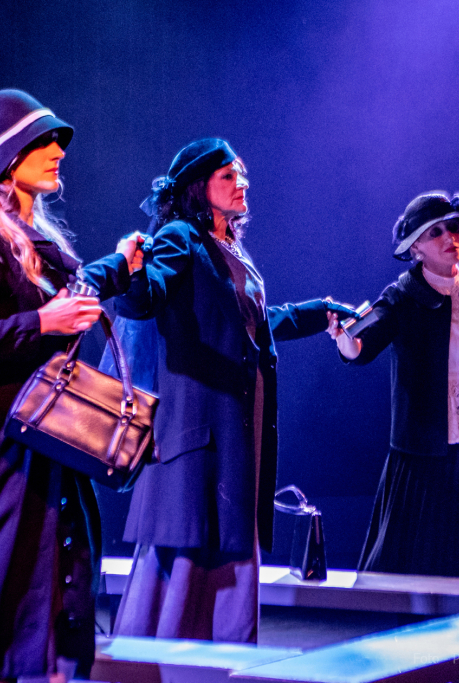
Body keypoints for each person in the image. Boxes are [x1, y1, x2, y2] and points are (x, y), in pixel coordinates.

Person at [0, 89, 143, 683]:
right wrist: (42, 323)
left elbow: (73, 293)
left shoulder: (34, 236)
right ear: (7, 155)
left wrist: (119, 266)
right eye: (42, 141)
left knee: (47, 614)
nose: (57, 152)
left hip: (40, 449)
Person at [111, 138, 354, 643]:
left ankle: (222, 661)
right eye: (228, 175)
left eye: (241, 173)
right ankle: (160, 666)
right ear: (198, 187)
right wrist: (129, 275)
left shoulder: (229, 249)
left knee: (227, 545)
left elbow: (252, 327)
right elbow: (145, 299)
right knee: (187, 553)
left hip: (236, 424)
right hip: (201, 423)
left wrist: (319, 312)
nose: (242, 182)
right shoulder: (181, 237)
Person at [327, 191, 459, 579]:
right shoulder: (402, 296)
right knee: (416, 568)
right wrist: (344, 337)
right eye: (436, 232)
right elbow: (360, 349)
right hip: (425, 457)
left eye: (454, 228)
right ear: (416, 249)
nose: (450, 237)